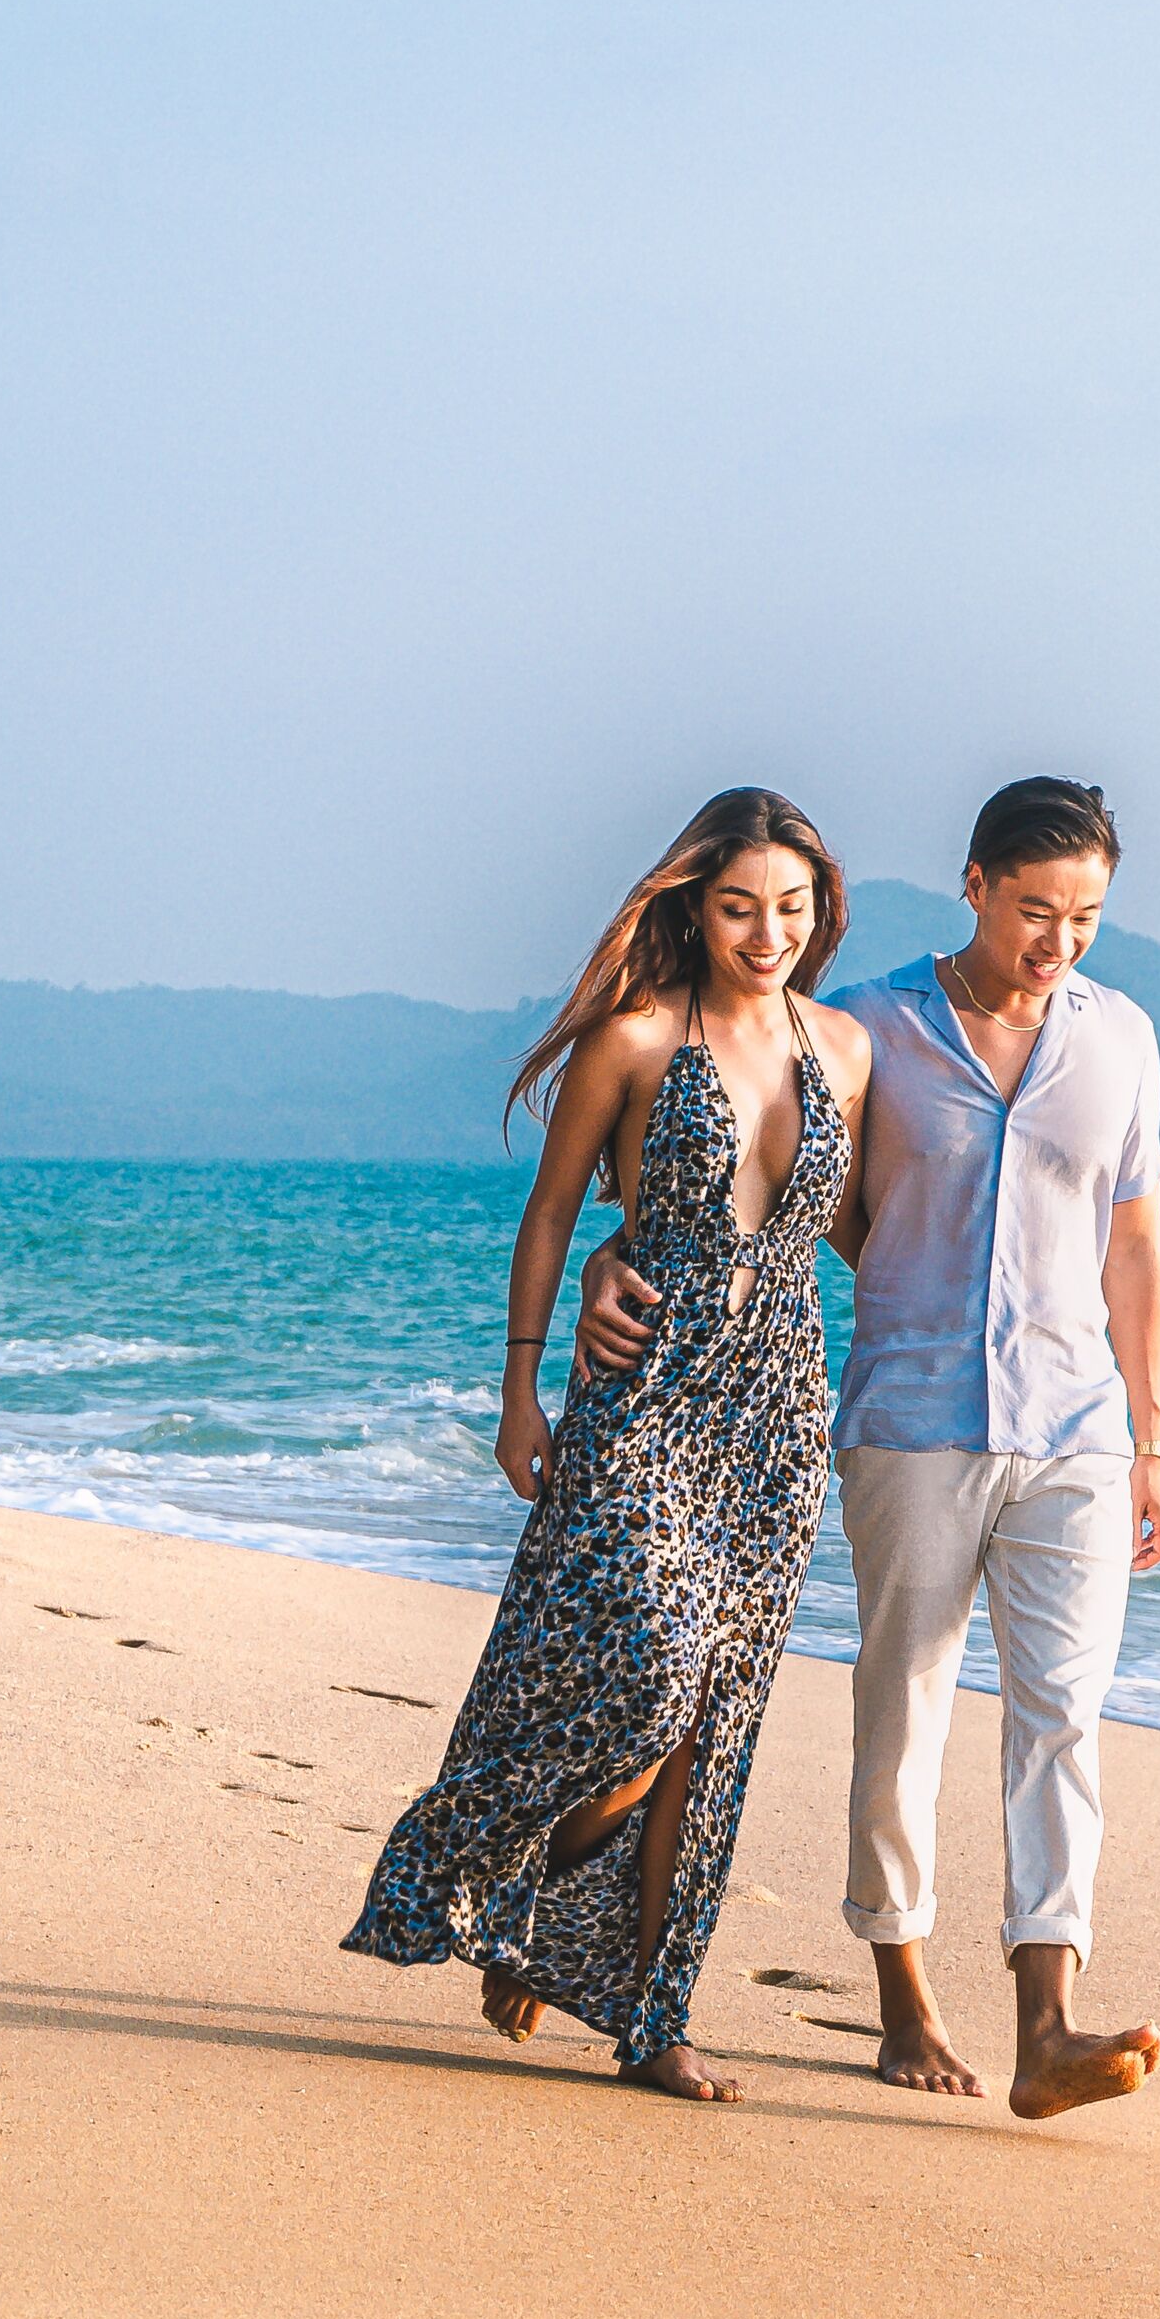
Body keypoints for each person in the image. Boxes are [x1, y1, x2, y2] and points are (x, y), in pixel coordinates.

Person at [580, 775, 1160, 2118]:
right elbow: (778, 1195)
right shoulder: (871, 1030)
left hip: (1077, 1430)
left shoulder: (1123, 1039)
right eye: (1036, 910)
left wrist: (1154, 1438)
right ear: (975, 886)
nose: (1059, 942)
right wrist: (617, 1264)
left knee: (1062, 1720)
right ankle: (903, 1994)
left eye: (1084, 918)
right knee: (902, 1701)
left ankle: (1048, 2023)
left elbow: (1134, 1241)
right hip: (907, 1421)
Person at [344, 788, 874, 2104]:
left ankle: (657, 2021)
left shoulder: (849, 1051)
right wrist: (522, 1392)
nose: (767, 933)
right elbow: (547, 1214)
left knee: (715, 1725)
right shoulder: (637, 1038)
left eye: (792, 910)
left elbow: (865, 1230)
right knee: (647, 1680)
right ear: (695, 905)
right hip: (642, 1393)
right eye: (741, 905)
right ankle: (507, 1891)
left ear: (824, 917)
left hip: (779, 1408)